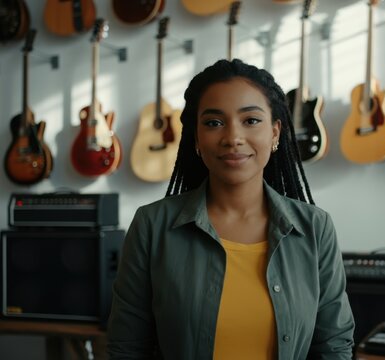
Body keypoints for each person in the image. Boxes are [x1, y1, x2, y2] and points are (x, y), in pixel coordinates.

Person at [107, 58, 355, 359]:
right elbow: (127, 347)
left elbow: (334, 346)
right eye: (214, 123)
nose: (233, 138)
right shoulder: (152, 225)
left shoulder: (315, 228)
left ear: (275, 132)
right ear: (196, 137)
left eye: (251, 120)